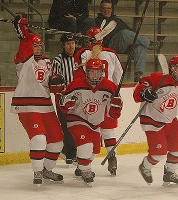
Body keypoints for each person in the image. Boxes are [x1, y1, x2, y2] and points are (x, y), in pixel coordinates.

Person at [11, 16, 64, 187]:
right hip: (27, 106)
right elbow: (24, 42)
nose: (38, 47)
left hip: (46, 107)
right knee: (39, 138)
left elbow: (50, 83)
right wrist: (22, 29)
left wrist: (56, 83)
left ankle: (47, 169)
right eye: (34, 45)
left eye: (39, 44)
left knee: (57, 140)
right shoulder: (24, 61)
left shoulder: (48, 62)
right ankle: (37, 170)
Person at [133, 55, 178, 186]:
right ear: (172, 68)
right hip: (152, 119)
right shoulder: (158, 78)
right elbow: (140, 87)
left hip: (170, 119)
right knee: (159, 152)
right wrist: (145, 92)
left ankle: (170, 174)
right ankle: (145, 167)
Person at [59, 58, 123, 185]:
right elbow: (62, 103)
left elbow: (114, 114)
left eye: (97, 72)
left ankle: (80, 166)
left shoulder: (110, 86)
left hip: (95, 123)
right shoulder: (76, 84)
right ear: (86, 72)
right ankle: (85, 170)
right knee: (85, 146)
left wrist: (116, 105)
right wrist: (67, 103)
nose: (94, 75)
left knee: (94, 150)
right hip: (77, 119)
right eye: (91, 72)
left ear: (102, 73)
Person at [74, 27, 123, 176]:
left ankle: (83, 164)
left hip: (89, 96)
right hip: (108, 94)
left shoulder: (83, 53)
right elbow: (118, 75)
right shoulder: (111, 53)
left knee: (90, 131)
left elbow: (79, 76)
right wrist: (115, 92)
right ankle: (112, 157)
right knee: (108, 130)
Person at [95, 0, 162, 82]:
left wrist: (135, 31)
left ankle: (139, 75)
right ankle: (149, 43)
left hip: (124, 45)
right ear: (100, 9)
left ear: (112, 9)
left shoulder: (117, 20)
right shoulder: (97, 21)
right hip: (110, 45)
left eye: (109, 8)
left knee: (140, 46)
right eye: (104, 8)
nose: (107, 10)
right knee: (124, 33)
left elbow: (131, 33)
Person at [52, 34, 78, 165]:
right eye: (68, 43)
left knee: (77, 124)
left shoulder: (79, 59)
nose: (71, 46)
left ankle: (70, 152)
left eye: (73, 43)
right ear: (63, 45)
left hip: (78, 99)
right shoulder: (57, 60)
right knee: (66, 126)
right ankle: (70, 153)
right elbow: (56, 79)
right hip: (63, 98)